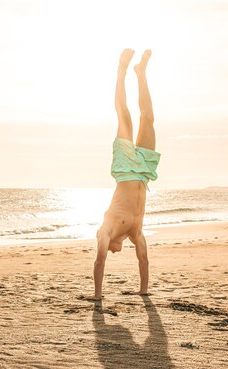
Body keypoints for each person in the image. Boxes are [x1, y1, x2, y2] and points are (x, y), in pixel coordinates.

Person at [90, 48, 161, 300]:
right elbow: (144, 261)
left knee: (125, 116)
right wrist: (143, 290)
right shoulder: (135, 233)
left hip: (125, 169)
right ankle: (141, 73)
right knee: (148, 118)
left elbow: (99, 263)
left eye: (111, 250)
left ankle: (122, 71)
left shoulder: (105, 230)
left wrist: (97, 295)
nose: (113, 252)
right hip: (142, 173)